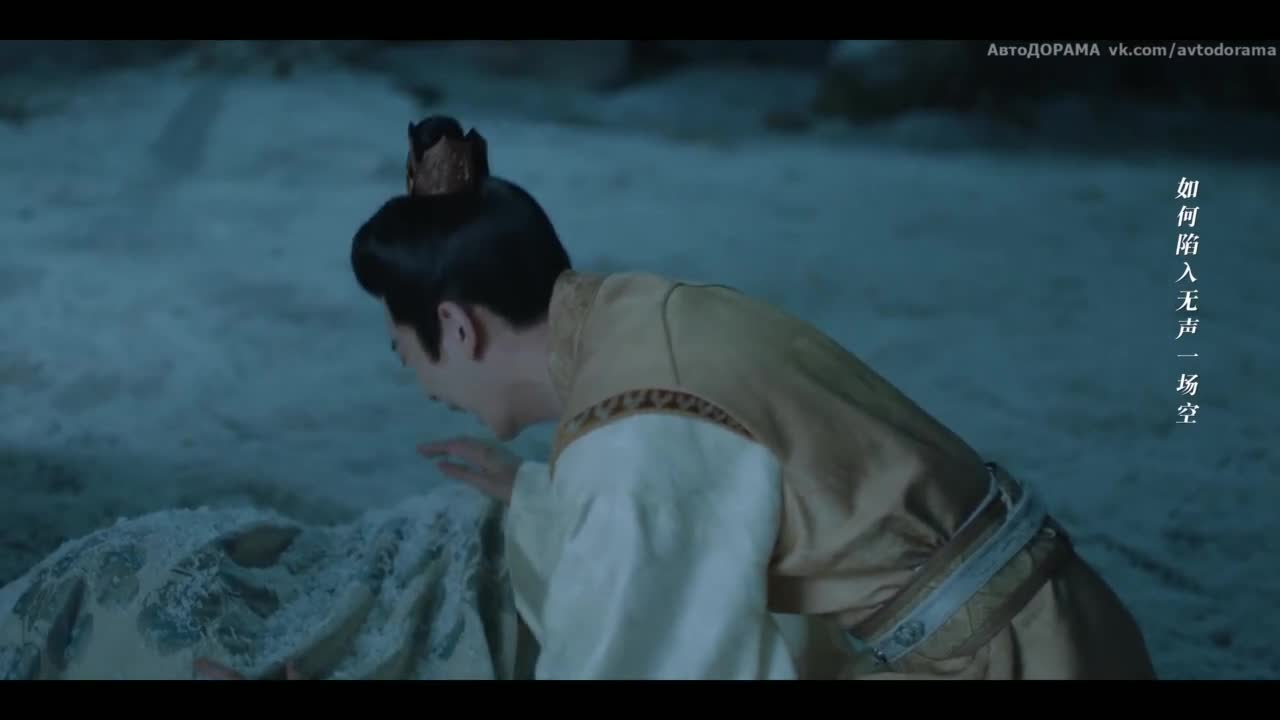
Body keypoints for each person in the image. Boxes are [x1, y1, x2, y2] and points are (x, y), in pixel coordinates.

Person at [231, 114, 1157, 680]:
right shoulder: (640, 311)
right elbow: (709, 499)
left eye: (405, 353)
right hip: (1056, 630)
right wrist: (542, 498)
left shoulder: (629, 441)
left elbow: (635, 632)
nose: (418, 381)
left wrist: (579, 500)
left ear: (456, 327)